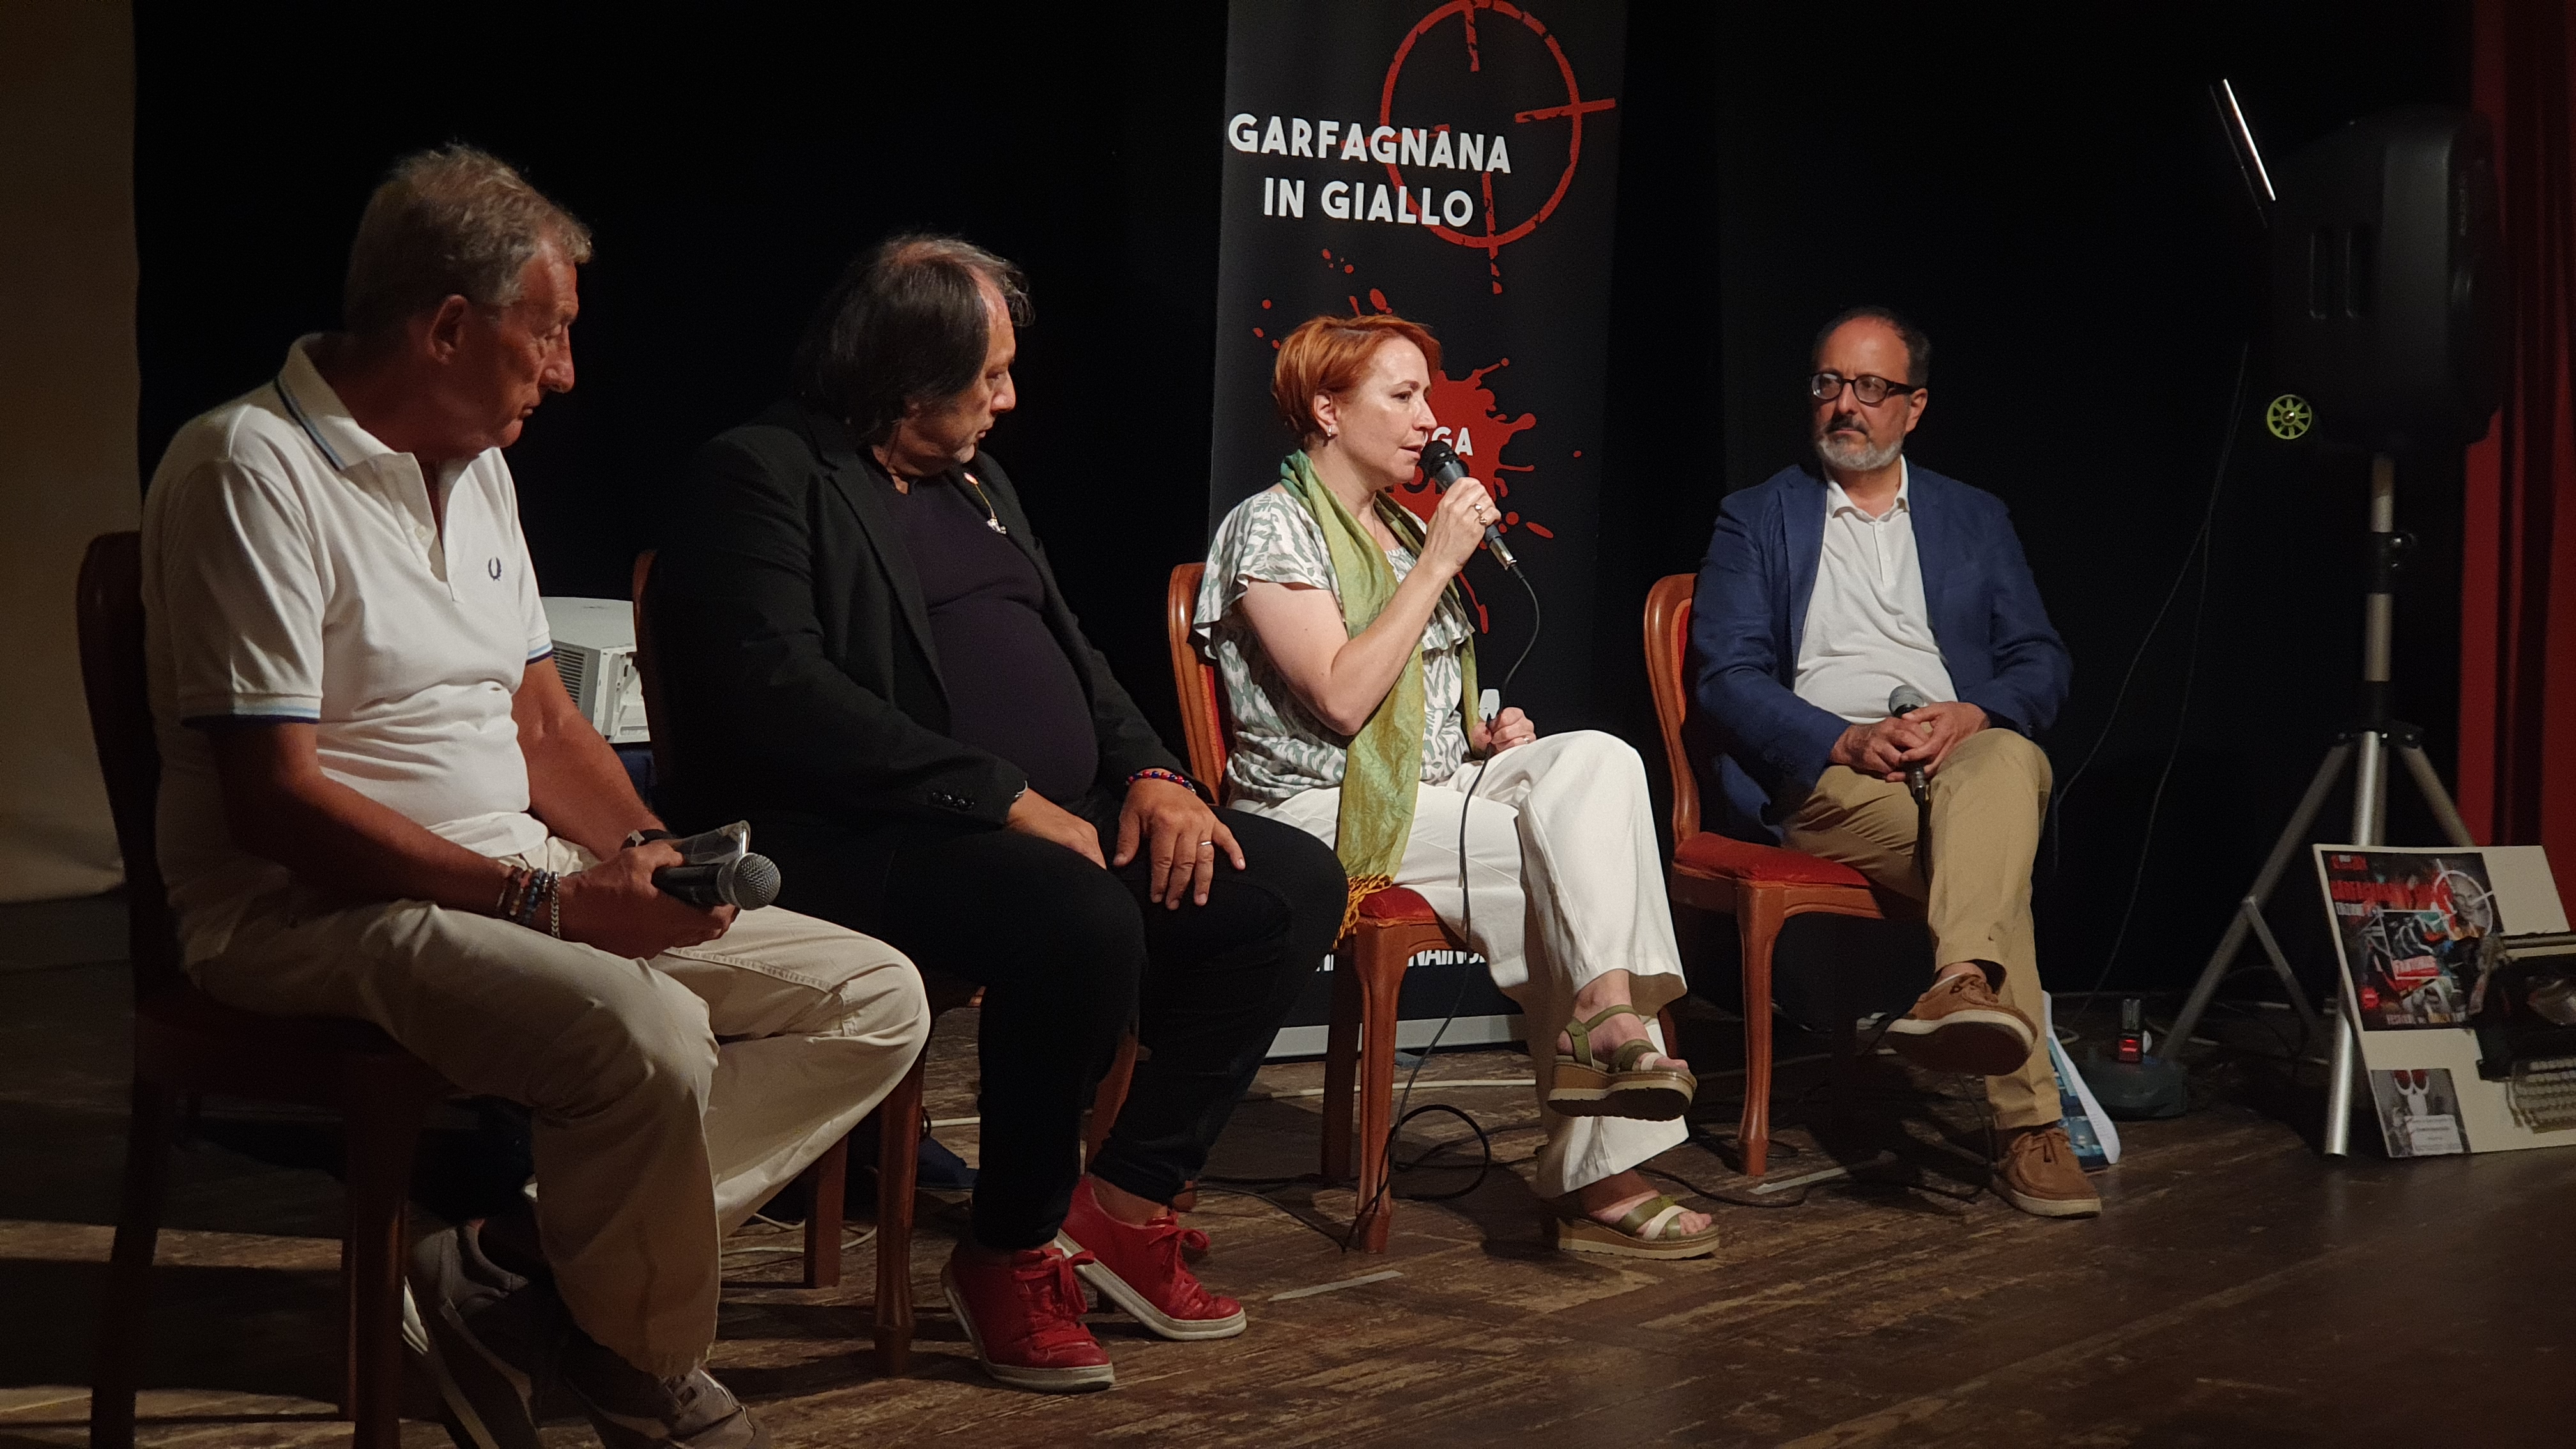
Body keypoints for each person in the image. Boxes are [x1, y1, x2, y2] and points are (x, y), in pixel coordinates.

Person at [139, 146, 930, 1449]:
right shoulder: (251, 467)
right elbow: (274, 804)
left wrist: (653, 859)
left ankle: (510, 1262)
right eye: (547, 333)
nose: (565, 372)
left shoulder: (479, 462)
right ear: (449, 328)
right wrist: (553, 907)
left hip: (507, 874)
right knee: (647, 1037)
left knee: (875, 997)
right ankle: (638, 1365)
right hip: (307, 910)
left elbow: (544, 722)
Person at [648, 235, 1347, 1393]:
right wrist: (1003, 797)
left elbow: (1076, 657)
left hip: (1045, 816)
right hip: (862, 830)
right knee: (1077, 920)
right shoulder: (764, 472)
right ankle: (1009, 1250)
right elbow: (781, 695)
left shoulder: (979, 485)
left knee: (1286, 888)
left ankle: (1120, 1205)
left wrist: (1157, 777)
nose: (1010, 400)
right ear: (903, 377)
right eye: (988, 377)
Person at [1195, 312, 1722, 1261]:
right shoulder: (1269, 525)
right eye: (1402, 397)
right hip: (1316, 805)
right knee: (1556, 864)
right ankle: (1603, 1163)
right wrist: (1441, 561)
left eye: (1426, 397)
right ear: (1327, 409)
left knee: (1601, 761)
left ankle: (1603, 1014)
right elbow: (1343, 700)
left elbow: (1418, 701)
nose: (1429, 421)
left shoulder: (1401, 527)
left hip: (1437, 782)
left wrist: (1481, 735)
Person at [1689, 305, 2099, 1218]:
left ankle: (1959, 985)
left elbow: (2040, 659)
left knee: (2004, 762)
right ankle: (2029, 1128)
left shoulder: (1974, 517)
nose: (1846, 405)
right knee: (1993, 871)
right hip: (1833, 773)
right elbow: (1728, 676)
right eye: (1829, 383)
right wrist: (1841, 739)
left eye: (1871, 388)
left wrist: (1973, 712)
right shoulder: (1756, 517)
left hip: (1962, 754)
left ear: (1913, 407)